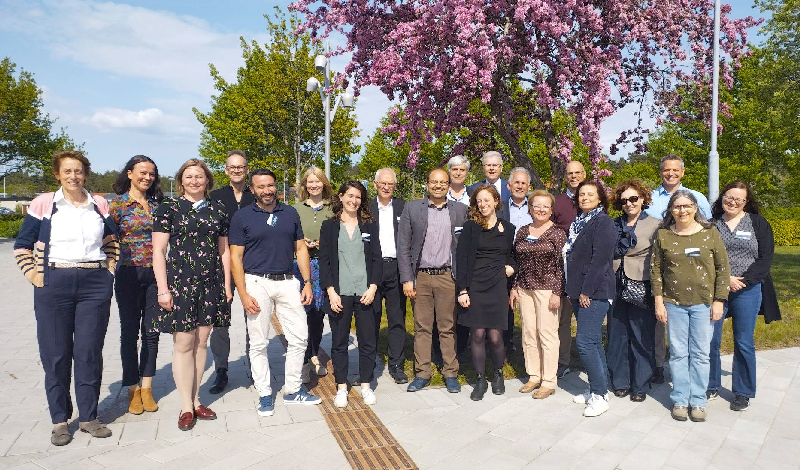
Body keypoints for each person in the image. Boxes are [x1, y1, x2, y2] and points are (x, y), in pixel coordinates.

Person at [14, 150, 118, 446]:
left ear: (86, 173)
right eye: (67, 171)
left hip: (94, 283)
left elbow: (112, 240)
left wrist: (109, 271)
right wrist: (35, 276)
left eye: (79, 171)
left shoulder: (99, 204)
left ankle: (89, 417)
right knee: (56, 353)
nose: (74, 176)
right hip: (54, 282)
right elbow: (22, 244)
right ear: (57, 174)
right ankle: (60, 420)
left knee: (88, 352)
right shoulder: (44, 204)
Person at [229, 169, 322, 418]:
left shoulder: (289, 212)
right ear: (252, 190)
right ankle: (265, 393)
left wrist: (307, 282)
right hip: (256, 282)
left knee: (300, 337)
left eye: (270, 186)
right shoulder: (242, 217)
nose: (267, 191)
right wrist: (243, 293)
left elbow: (300, 248)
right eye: (261, 187)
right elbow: (235, 258)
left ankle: (292, 390)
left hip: (287, 281)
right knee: (258, 342)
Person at [152, 159, 231, 431]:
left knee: (201, 343)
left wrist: (227, 285)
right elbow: (158, 251)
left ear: (207, 180)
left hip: (210, 284)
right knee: (184, 344)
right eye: (189, 176)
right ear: (181, 181)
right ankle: (186, 406)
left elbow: (224, 251)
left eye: (199, 176)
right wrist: (163, 289)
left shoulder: (218, 209)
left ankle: (197, 400)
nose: (194, 181)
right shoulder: (169, 208)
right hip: (179, 283)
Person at [651, 190, 730, 423]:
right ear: (671, 210)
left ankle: (698, 401)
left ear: (695, 208)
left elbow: (723, 269)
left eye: (687, 206)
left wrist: (719, 300)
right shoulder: (663, 235)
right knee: (677, 354)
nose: (682, 211)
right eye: (677, 207)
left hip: (703, 303)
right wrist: (659, 302)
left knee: (700, 354)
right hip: (673, 303)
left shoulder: (710, 233)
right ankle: (680, 400)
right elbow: (655, 270)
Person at [707, 181, 780, 411]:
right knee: (711, 340)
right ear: (722, 198)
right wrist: (725, 278)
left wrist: (743, 281)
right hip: (717, 290)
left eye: (739, 199)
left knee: (744, 342)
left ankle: (743, 392)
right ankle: (710, 384)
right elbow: (704, 256)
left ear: (746, 202)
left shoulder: (758, 223)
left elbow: (765, 258)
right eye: (729, 197)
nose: (733, 202)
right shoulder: (711, 225)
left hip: (747, 290)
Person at [398, 168, 469, 393]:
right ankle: (422, 373)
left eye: (442, 182)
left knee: (447, 327)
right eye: (434, 182)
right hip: (421, 277)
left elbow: (465, 247)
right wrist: (407, 279)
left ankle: (450, 372)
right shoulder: (412, 208)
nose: (438, 186)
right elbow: (404, 246)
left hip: (448, 276)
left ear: (449, 185)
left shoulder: (460, 210)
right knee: (422, 327)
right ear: (427, 184)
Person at [645, 154, 712, 384]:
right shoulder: (651, 198)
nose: (670, 173)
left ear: (682, 172)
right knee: (659, 322)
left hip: (693, 272)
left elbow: (708, 232)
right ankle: (658, 365)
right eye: (666, 170)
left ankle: (693, 373)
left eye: (675, 170)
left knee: (693, 331)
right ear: (661, 171)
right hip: (659, 263)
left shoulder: (697, 198)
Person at [320, 180, 383, 408]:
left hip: (365, 292)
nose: (353, 201)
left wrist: (374, 287)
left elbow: (376, 258)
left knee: (368, 342)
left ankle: (366, 384)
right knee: (339, 343)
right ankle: (342, 387)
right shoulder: (329, 226)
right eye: (350, 196)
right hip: (340, 293)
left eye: (358, 197)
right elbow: (325, 261)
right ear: (341, 196)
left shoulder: (369, 225)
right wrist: (331, 291)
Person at [110, 155, 163, 415]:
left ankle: (147, 388)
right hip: (128, 275)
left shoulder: (158, 204)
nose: (147, 177)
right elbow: (106, 240)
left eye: (151, 173)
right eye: (142, 172)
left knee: (151, 334)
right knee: (129, 334)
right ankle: (132, 389)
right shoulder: (117, 206)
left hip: (156, 276)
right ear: (129, 173)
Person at [456, 185, 516, 400]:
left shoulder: (508, 228)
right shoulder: (470, 227)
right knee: (478, 334)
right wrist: (462, 290)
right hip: (475, 286)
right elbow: (461, 260)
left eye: (486, 200)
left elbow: (513, 256)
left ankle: (498, 373)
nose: (483, 204)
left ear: (496, 201)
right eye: (479, 201)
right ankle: (480, 379)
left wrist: (512, 267)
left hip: (498, 286)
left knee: (496, 336)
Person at [565, 180, 616, 417]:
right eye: (581, 194)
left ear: (600, 198)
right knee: (594, 341)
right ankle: (599, 388)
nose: (584, 197)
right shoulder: (579, 221)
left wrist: (586, 290)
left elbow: (600, 260)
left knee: (584, 342)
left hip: (594, 291)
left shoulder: (603, 222)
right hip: (578, 290)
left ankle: (600, 396)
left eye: (590, 194)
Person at [509, 190, 566, 399]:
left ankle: (549, 380)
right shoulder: (523, 231)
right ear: (530, 208)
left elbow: (561, 266)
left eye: (545, 206)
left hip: (547, 289)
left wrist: (557, 293)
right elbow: (518, 262)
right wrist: (514, 287)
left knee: (547, 333)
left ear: (551, 210)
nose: (541, 210)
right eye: (536, 206)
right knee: (529, 333)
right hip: (524, 288)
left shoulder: (557, 233)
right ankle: (534, 375)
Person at [607, 180, 660, 402]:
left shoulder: (657, 225)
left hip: (642, 283)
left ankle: (640, 383)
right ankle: (620, 381)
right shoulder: (613, 224)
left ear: (643, 200)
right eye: (624, 200)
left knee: (641, 335)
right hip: (615, 284)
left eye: (633, 199)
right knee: (617, 335)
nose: (629, 203)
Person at [208, 150, 255, 394]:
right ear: (226, 170)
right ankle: (221, 370)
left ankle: (256, 367)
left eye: (241, 166)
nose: (237, 170)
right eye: (232, 167)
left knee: (254, 318)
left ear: (247, 170)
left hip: (251, 266)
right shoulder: (214, 197)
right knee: (220, 321)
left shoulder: (256, 194)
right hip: (221, 267)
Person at [293, 166, 334, 383]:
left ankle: (314, 354)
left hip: (324, 265)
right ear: (305, 185)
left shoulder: (333, 208)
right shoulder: (296, 209)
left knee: (318, 314)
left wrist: (324, 244)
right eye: (310, 181)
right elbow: (289, 236)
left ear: (324, 183)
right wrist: (301, 245)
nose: (314, 185)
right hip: (301, 266)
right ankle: (304, 358)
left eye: (317, 181)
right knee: (302, 313)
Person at [370, 168, 408, 384]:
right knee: (370, 318)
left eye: (390, 184)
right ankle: (371, 359)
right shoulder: (366, 208)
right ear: (375, 184)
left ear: (395, 186)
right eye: (382, 183)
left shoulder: (403, 207)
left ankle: (396, 364)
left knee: (397, 318)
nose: (386, 187)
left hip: (396, 268)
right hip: (373, 269)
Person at [552, 160, 586, 378]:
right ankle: (563, 360)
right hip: (563, 268)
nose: (573, 176)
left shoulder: (592, 198)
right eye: (569, 173)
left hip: (587, 269)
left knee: (586, 317)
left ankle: (588, 358)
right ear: (565, 176)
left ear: (584, 174)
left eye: (577, 173)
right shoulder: (557, 202)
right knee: (563, 319)